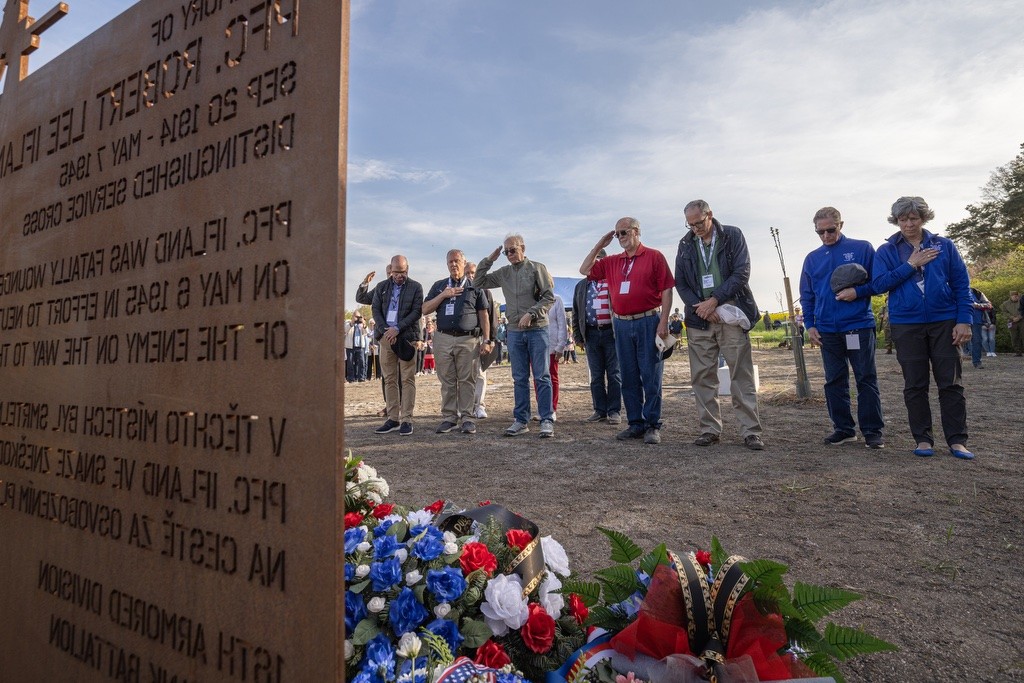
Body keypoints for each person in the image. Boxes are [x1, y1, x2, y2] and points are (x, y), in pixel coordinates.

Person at [871, 196, 974, 460]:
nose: (908, 224)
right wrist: (910, 265)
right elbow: (879, 285)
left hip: (944, 321)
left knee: (951, 383)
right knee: (915, 385)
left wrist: (964, 319)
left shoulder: (945, 246)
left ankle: (957, 441)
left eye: (913, 218)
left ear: (923, 218)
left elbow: (961, 284)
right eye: (902, 219)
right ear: (896, 220)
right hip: (906, 324)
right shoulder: (886, 251)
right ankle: (923, 439)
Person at [675, 200, 765, 451]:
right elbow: (680, 282)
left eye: (698, 223)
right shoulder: (685, 244)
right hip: (699, 318)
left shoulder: (732, 235)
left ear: (710, 215)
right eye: (690, 225)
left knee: (740, 374)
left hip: (730, 312)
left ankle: (750, 431)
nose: (695, 229)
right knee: (702, 376)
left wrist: (714, 301)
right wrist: (701, 307)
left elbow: (741, 272)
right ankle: (709, 429)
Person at [580, 217, 673, 445]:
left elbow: (667, 289)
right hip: (621, 324)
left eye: (624, 232)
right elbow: (584, 270)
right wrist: (600, 245)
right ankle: (635, 423)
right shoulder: (612, 261)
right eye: (617, 233)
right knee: (628, 376)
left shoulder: (654, 256)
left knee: (650, 375)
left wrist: (663, 321)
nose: (620, 237)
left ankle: (652, 424)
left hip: (648, 320)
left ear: (636, 231)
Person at [798, 206, 884, 448]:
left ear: (841, 225)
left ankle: (872, 431)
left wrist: (858, 292)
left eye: (831, 230)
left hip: (858, 325)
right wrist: (810, 325)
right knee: (834, 380)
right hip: (827, 330)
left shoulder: (862, 248)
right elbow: (807, 295)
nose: (826, 236)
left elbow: (879, 283)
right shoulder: (812, 258)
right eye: (820, 232)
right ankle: (844, 429)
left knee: (865, 378)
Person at [474, 234, 556, 437]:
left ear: (523, 248)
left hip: (537, 329)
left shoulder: (537, 268)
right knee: (519, 378)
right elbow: (478, 281)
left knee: (542, 376)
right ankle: (521, 420)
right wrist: (489, 260)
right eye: (506, 252)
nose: (509, 254)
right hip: (515, 331)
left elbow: (549, 297)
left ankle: (546, 419)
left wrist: (532, 313)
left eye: (513, 250)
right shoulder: (504, 273)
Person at [423, 249, 493, 435]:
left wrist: (487, 340)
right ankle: (449, 418)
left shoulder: (475, 286)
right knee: (447, 380)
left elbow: (484, 315)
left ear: (464, 262)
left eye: (456, 261)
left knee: (467, 380)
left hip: (468, 339)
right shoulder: (439, 286)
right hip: (443, 338)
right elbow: (425, 309)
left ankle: (468, 418)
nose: (453, 264)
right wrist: (443, 295)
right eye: (450, 262)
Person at [371, 255, 423, 436]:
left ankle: (407, 419)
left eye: (403, 271)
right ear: (390, 270)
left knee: (407, 379)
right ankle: (393, 418)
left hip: (407, 338)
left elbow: (416, 312)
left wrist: (397, 329)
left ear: (407, 269)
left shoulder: (416, 287)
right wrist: (386, 331)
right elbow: (375, 309)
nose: (400, 275)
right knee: (390, 379)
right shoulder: (381, 287)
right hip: (386, 338)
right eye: (396, 272)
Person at [573, 249, 623, 425]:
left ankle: (614, 410)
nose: (596, 263)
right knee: (596, 375)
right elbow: (576, 312)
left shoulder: (613, 280)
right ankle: (600, 410)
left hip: (611, 333)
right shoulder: (581, 286)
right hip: (591, 334)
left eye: (600, 260)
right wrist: (578, 336)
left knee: (614, 374)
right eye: (594, 260)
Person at [465, 261, 493, 419]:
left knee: (480, 373)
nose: (470, 275)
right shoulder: (461, 290)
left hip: (481, 337)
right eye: (467, 273)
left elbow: (492, 317)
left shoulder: (485, 291)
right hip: (466, 337)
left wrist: (489, 339)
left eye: (473, 273)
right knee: (464, 373)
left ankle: (479, 405)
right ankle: (466, 406)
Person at [536, 278, 567, 420]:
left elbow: (562, 323)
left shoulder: (557, 300)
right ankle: (542, 408)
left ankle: (552, 408)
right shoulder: (533, 300)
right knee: (538, 378)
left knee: (552, 377)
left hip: (552, 346)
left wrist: (561, 345)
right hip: (536, 346)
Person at [968, 288, 993, 368]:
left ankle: (977, 362)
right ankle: (953, 363)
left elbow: (989, 305)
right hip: (958, 320)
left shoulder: (977, 293)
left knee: (977, 341)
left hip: (976, 321)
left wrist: (977, 305)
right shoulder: (954, 290)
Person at [345, 313, 368, 382]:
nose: (358, 318)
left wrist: (364, 324)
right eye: (356, 316)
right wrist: (352, 322)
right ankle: (351, 378)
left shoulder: (362, 324)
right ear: (353, 316)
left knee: (362, 362)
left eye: (359, 317)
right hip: (350, 346)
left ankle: (361, 377)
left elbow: (366, 333)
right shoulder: (348, 322)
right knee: (350, 363)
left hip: (360, 346)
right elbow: (345, 330)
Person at [1001, 291, 1022, 356]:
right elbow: (1004, 312)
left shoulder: (1022, 302)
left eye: (1017, 296)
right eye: (1014, 296)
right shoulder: (1005, 304)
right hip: (1012, 322)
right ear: (1011, 296)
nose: (1016, 297)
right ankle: (1018, 352)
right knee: (1014, 337)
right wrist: (1012, 317)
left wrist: (1019, 317)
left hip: (1022, 321)